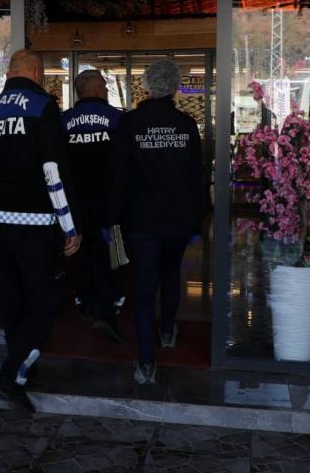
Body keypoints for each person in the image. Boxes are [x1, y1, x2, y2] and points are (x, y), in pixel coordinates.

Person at [0, 50, 82, 412]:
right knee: (45, 302)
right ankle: (10, 375)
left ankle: (21, 371)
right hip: (33, 224)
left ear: (10, 72)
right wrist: (70, 225)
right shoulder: (41, 107)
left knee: (11, 302)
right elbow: (53, 171)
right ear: (35, 72)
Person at [109, 59, 205, 385]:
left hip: (141, 220)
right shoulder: (186, 125)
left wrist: (112, 218)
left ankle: (146, 362)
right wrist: (197, 221)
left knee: (144, 285)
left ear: (147, 86)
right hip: (178, 218)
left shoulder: (130, 123)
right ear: (175, 86)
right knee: (171, 273)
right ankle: (166, 331)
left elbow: (118, 177)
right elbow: (196, 178)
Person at [61, 70, 125, 342]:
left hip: (74, 202)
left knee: (79, 252)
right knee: (112, 253)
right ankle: (109, 303)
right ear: (98, 89)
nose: (107, 91)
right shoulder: (118, 119)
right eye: (105, 87)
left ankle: (83, 299)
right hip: (110, 202)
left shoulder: (62, 121)